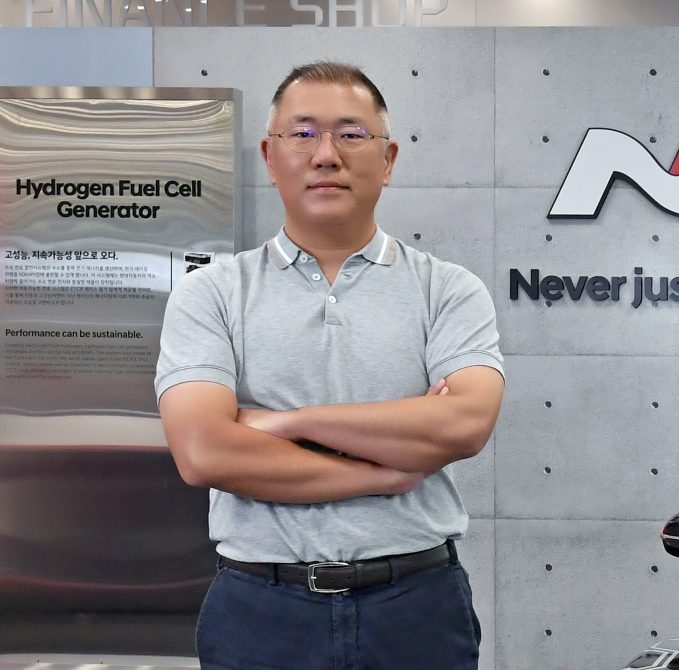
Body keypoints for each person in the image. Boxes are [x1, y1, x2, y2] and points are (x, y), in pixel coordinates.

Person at [155, 61, 504, 670]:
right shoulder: (211, 293)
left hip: (416, 605)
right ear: (270, 157)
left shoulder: (448, 290)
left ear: (388, 159)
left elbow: (464, 425)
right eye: (303, 133)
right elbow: (204, 453)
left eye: (350, 134)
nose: (326, 155)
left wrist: (286, 422)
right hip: (260, 608)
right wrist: (385, 474)